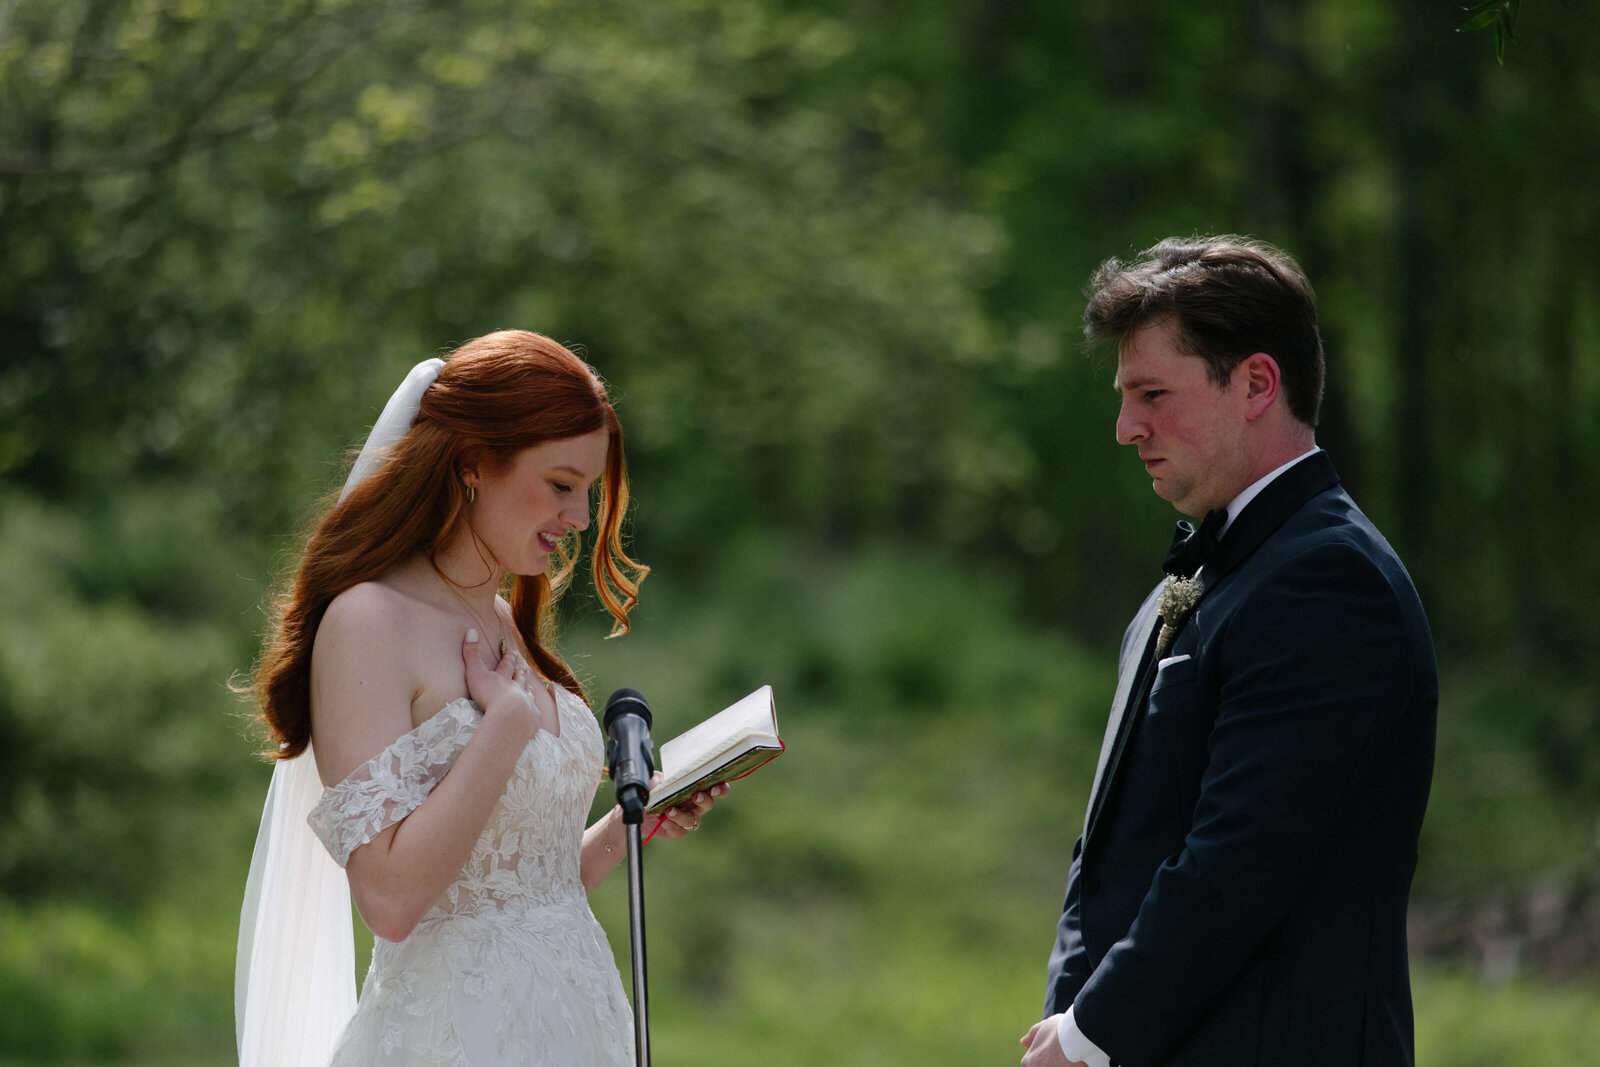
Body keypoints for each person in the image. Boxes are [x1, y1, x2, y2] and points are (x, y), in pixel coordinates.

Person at [235, 330, 724, 1066]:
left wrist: (637, 824)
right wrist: (508, 727)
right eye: (561, 484)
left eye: (587, 491)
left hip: (579, 1029)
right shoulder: (369, 621)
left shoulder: (497, 616)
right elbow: (394, 902)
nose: (582, 517)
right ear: (472, 465)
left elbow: (523, 888)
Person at [1021, 237, 1437, 1067]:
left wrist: (1093, 1033)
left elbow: (1238, 862)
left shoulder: (1330, 579)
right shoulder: (1214, 567)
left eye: (1151, 393)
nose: (1125, 426)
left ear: (1254, 384)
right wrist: (1069, 1013)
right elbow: (1105, 857)